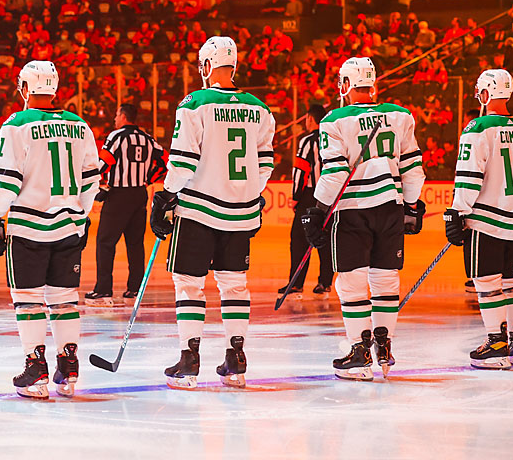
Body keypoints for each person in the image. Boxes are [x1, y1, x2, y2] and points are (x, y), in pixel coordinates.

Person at [150, 36, 275, 389]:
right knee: (235, 286)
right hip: (241, 213)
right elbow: (265, 164)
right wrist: (248, 195)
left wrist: (166, 195)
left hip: (199, 211)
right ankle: (236, 358)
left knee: (189, 285)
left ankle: (189, 360)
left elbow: (183, 161)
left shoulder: (195, 103)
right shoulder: (260, 108)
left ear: (206, 66)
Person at [0, 60, 100, 399]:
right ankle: (69, 364)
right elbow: (92, 179)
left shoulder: (16, 124)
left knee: (28, 299)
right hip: (67, 225)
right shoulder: (79, 125)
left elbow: (7, 180)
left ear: (24, 88)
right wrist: (82, 215)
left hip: (29, 227)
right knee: (64, 299)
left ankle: (36, 368)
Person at [303, 57, 426, 381]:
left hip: (352, 209)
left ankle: (359, 351)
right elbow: (413, 168)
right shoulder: (400, 115)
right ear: (373, 85)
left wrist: (317, 210)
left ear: (345, 85)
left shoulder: (334, 120)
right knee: (385, 280)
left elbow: (335, 171)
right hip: (389, 206)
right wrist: (411, 206)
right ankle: (383, 347)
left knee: (351, 282)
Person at [444, 69, 513, 370]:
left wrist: (456, 211)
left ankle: (496, 344)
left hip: (486, 219)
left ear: (485, 94)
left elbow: (469, 177)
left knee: (486, 282)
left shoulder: (478, 127)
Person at [85, 103, 167, 305]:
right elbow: (166, 161)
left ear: (123, 116)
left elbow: (102, 163)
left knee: (105, 242)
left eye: (116, 114)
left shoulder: (116, 137)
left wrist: (97, 186)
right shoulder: (148, 139)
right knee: (135, 244)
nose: (114, 119)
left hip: (119, 195)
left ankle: (103, 289)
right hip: (140, 194)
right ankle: (135, 288)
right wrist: (149, 178)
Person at [280, 104, 333, 295]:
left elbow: (300, 170)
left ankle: (296, 282)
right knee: (325, 238)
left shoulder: (308, 141)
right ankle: (325, 282)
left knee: (300, 239)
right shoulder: (333, 138)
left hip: (311, 197)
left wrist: (295, 197)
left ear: (310, 119)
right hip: (331, 196)